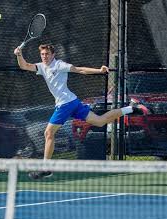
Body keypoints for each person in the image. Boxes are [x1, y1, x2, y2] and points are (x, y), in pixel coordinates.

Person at [14, 44, 144, 179]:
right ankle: (131, 108)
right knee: (100, 122)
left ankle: (45, 167)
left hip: (65, 104)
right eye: (42, 54)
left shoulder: (59, 65)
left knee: (48, 133)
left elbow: (80, 70)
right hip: (73, 102)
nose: (45, 56)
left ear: (53, 55)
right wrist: (19, 54)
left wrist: (99, 71)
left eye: (47, 54)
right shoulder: (41, 66)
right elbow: (24, 66)